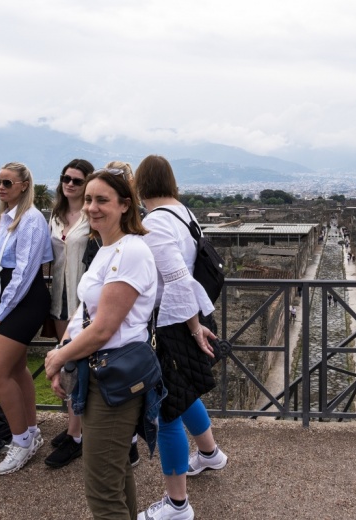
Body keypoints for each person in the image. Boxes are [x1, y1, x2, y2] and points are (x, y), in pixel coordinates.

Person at [44, 169, 157, 519]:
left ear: (125, 205)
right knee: (116, 472)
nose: (91, 207)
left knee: (102, 489)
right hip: (99, 370)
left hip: (114, 375)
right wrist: (62, 352)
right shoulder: (108, 249)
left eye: (102, 200)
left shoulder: (131, 252)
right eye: (89, 199)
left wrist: (58, 356)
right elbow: (85, 312)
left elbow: (104, 327)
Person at [135, 155, 228, 520]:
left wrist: (192, 328)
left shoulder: (156, 223)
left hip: (173, 323)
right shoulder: (182, 212)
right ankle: (210, 454)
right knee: (183, 392)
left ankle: (177, 505)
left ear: (141, 185)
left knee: (166, 412)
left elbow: (176, 280)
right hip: (190, 316)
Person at [0, 162, 53, 475]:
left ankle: (21, 441)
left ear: (24, 185)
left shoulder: (31, 219)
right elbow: (5, 265)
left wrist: (1, 312)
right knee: (17, 369)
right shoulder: (8, 216)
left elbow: (24, 273)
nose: (1, 187)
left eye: (7, 182)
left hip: (23, 300)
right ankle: (32, 432)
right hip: (14, 296)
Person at [45, 158, 93, 468]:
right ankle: (74, 428)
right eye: (66, 177)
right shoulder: (56, 215)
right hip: (59, 297)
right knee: (67, 366)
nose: (70, 183)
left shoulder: (92, 215)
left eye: (77, 180)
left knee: (75, 365)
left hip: (83, 300)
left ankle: (77, 435)